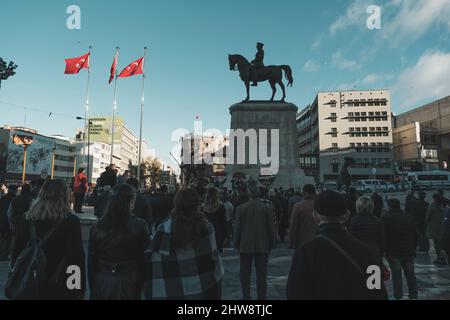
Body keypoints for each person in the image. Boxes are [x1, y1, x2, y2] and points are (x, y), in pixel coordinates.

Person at [286, 191, 387, 300]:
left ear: (315, 216)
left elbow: (295, 293)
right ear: (347, 215)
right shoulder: (367, 252)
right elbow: (378, 292)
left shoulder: (305, 252)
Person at [10, 180, 86, 299]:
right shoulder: (70, 222)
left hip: (28, 286)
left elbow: (15, 254)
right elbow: (76, 259)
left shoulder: (25, 220)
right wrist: (77, 289)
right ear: (66, 196)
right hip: (59, 286)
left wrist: (17, 278)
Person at [143, 188, 224, 300]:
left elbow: (153, 256)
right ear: (197, 205)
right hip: (202, 288)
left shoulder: (165, 228)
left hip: (171, 289)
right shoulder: (206, 228)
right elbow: (213, 261)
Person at [88, 183, 150, 300]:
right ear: (131, 202)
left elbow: (91, 261)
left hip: (102, 280)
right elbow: (144, 259)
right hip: (130, 280)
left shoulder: (97, 227)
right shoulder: (139, 225)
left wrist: (93, 287)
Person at [234, 185, 275, 300]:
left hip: (245, 245)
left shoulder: (241, 208)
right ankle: (261, 297)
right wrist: (272, 243)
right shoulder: (266, 208)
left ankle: (246, 296)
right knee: (262, 274)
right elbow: (270, 228)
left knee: (245, 274)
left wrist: (236, 243)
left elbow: (237, 228)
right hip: (262, 244)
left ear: (249, 194)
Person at [383, 198, 418, 300]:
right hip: (408, 251)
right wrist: (413, 248)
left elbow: (384, 236)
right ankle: (414, 295)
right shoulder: (409, 217)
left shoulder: (387, 218)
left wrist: (385, 250)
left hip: (393, 252)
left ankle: (398, 296)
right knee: (411, 275)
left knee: (397, 276)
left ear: (389, 206)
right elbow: (415, 234)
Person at [349, 197, 384, 267]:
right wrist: (381, 253)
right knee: (374, 276)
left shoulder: (354, 220)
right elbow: (381, 239)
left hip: (359, 252)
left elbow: (351, 238)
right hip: (374, 251)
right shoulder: (377, 220)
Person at [289, 184, 317, 250]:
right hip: (318, 241)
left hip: (302, 242)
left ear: (305, 192)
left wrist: (292, 241)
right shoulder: (320, 205)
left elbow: (293, 225)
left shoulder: (298, 206)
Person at [203, 187, 227, 253]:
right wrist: (225, 236)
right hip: (218, 233)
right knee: (216, 254)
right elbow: (223, 223)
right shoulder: (221, 207)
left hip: (205, 234)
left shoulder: (203, 208)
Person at [426, 193, 446, 265]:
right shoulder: (443, 207)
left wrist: (426, 225)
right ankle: (443, 257)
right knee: (441, 243)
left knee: (437, 244)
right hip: (443, 227)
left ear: (434, 199)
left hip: (434, 228)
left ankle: (439, 258)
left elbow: (428, 217)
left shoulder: (432, 206)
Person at [0, 185, 17, 260]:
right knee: (8, 238)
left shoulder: (2, 199)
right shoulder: (14, 199)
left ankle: (2, 253)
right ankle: (4, 254)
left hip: (2, 221)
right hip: (9, 222)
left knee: (3, 237)